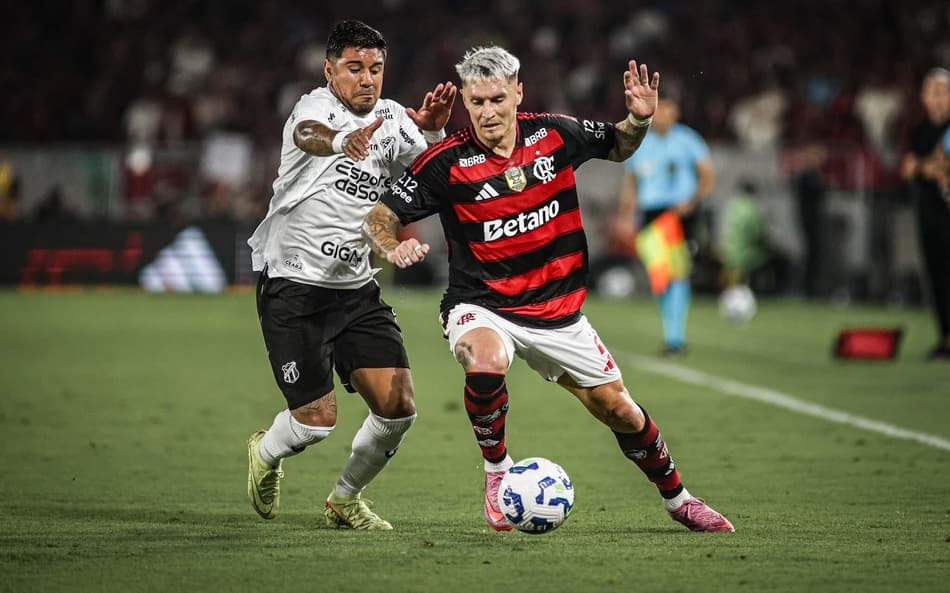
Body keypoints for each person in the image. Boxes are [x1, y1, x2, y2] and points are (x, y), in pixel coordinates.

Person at [363, 46, 733, 533]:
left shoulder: (554, 134)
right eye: (476, 102)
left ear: (518, 91)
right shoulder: (446, 163)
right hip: (482, 304)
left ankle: (679, 498)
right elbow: (380, 216)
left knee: (620, 410)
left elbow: (618, 145)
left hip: (559, 313)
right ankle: (497, 475)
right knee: (486, 358)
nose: (487, 112)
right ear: (466, 104)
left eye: (497, 98)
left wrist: (638, 121)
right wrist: (390, 246)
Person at [245, 20, 457, 530]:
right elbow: (308, 135)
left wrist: (432, 131)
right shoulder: (316, 109)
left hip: (355, 288)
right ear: (329, 69)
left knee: (398, 406)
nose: (367, 79)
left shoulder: (391, 119)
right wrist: (343, 141)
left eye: (376, 69)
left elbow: (436, 173)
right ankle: (266, 452)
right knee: (315, 423)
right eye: (354, 68)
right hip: (294, 286)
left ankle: (344, 500)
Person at [612, 92, 716, 355]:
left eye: (666, 110)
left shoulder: (688, 140)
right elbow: (632, 183)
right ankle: (672, 332)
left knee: (678, 273)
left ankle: (675, 336)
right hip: (651, 214)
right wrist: (626, 215)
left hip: (680, 215)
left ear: (675, 112)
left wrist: (691, 203)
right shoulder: (642, 142)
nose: (661, 116)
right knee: (660, 276)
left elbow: (707, 175)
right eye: (658, 111)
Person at [899, 68, 950, 360]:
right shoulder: (919, 131)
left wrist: (924, 167)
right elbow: (907, 169)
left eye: (941, 92)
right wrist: (932, 167)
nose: (936, 98)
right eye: (931, 92)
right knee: (936, 277)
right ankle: (945, 339)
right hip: (928, 214)